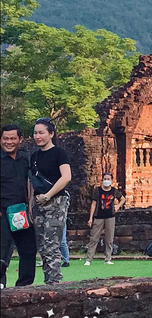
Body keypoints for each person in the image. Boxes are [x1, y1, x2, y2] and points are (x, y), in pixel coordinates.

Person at [30, 118, 71, 284]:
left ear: (51, 134)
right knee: (42, 246)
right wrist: (31, 204)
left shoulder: (59, 153)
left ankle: (54, 283)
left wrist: (48, 195)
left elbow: (66, 177)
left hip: (56, 201)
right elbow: (32, 182)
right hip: (38, 204)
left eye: (41, 132)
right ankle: (48, 281)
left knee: (52, 244)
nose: (37, 136)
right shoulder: (34, 156)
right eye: (35, 133)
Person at [1, 124, 36, 288]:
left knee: (28, 249)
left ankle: (24, 286)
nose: (9, 142)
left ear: (20, 140)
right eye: (5, 138)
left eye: (12, 138)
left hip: (20, 211)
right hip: (2, 211)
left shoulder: (24, 159)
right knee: (2, 251)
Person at [84, 171, 126, 265]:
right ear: (102, 180)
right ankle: (89, 259)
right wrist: (91, 218)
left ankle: (108, 258)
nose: (106, 181)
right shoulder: (97, 190)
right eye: (105, 179)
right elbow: (93, 204)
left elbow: (122, 199)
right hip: (98, 216)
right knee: (94, 238)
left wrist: (118, 206)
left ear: (111, 180)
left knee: (109, 238)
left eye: (108, 179)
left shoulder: (114, 191)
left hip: (110, 216)